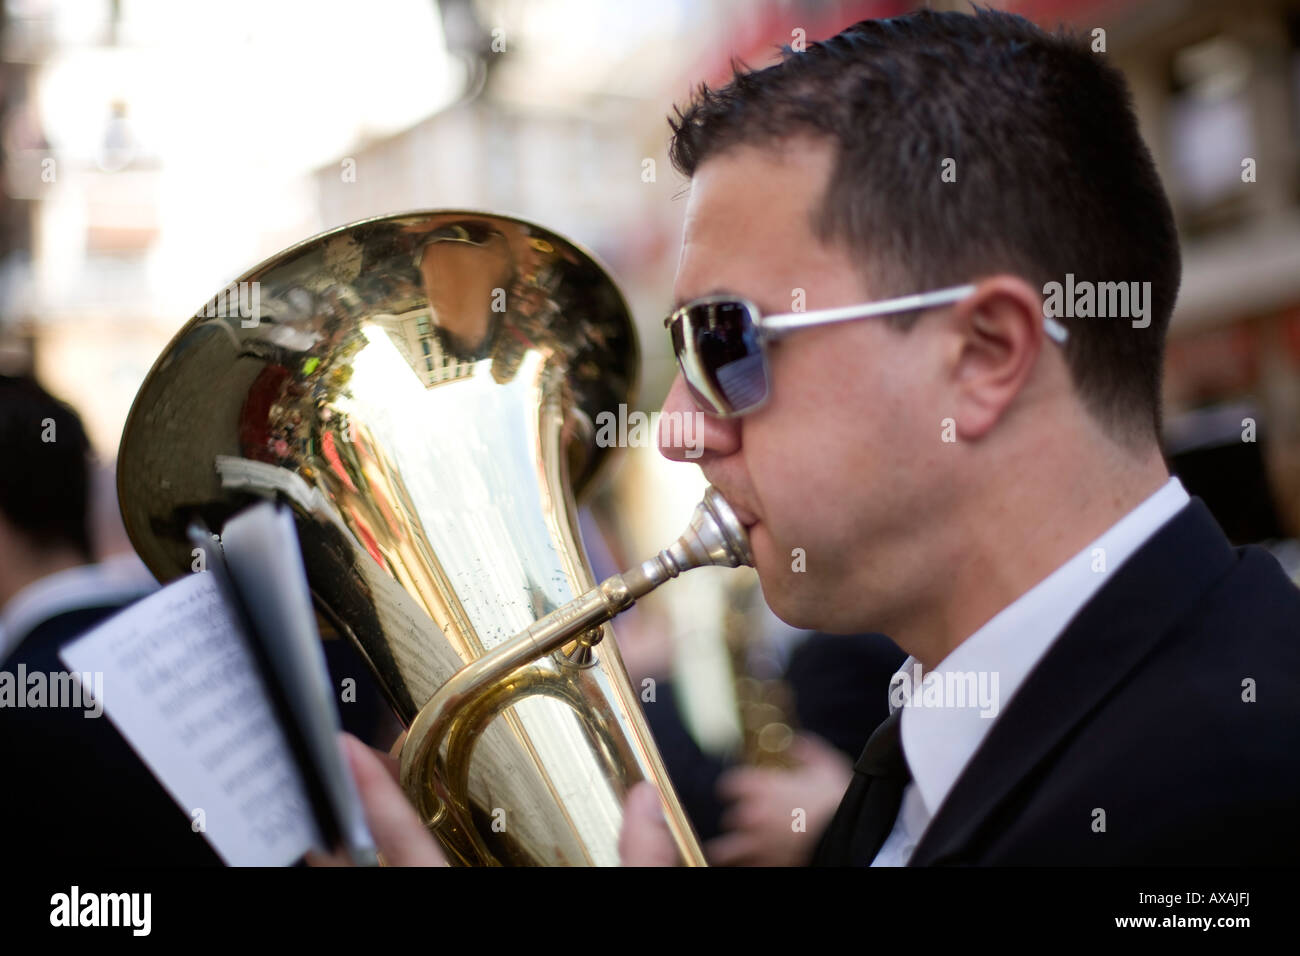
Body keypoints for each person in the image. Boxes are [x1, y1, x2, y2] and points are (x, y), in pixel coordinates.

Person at [326, 8, 1300, 866]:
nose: (676, 430)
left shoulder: (1241, 782)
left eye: (724, 340)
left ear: (984, 353)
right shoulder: (931, 729)